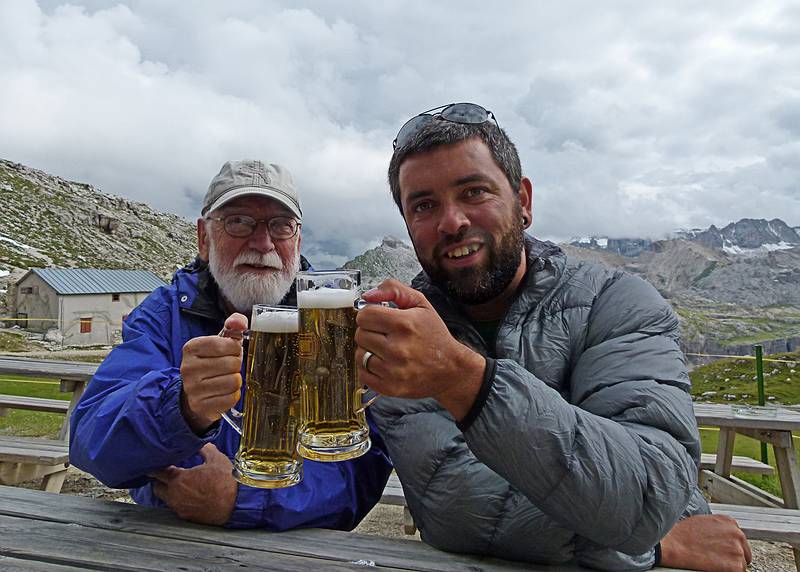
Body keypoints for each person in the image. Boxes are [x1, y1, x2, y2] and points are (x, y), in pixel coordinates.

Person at [355, 104, 751, 570]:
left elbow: (649, 488)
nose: (452, 221)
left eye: (474, 191)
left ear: (523, 200)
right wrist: (655, 544)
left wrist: (463, 380)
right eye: (423, 205)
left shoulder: (618, 301)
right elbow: (458, 510)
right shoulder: (402, 329)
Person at [69, 159, 392, 529]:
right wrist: (180, 407)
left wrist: (244, 500)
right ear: (204, 238)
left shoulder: (333, 321)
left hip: (300, 551)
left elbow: (361, 477)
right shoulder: (163, 314)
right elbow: (91, 445)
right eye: (238, 221)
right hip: (170, 543)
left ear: (297, 240)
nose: (262, 242)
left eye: (280, 225)